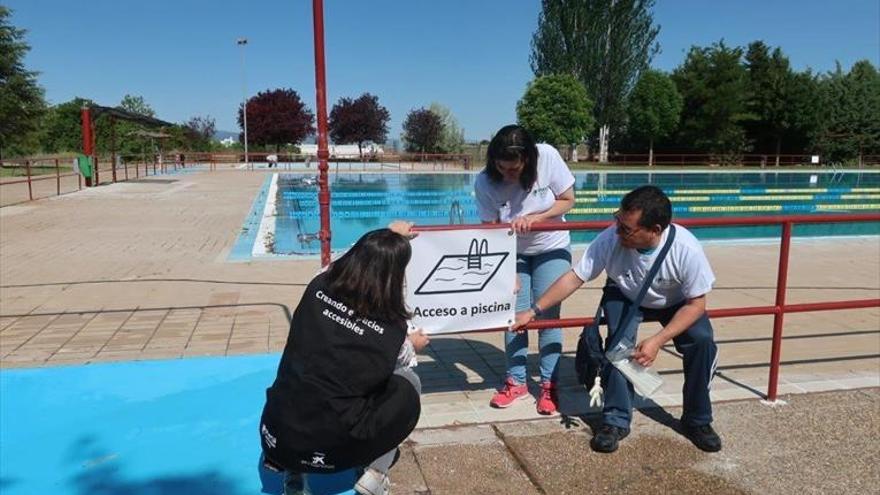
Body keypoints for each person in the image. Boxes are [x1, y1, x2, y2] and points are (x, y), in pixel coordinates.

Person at [513, 185, 722, 453]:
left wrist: (657, 341)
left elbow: (696, 304)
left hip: (676, 302)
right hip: (625, 294)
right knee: (618, 346)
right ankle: (615, 420)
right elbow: (574, 277)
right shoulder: (610, 239)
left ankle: (698, 420)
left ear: (655, 230)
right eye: (617, 220)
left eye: (627, 228)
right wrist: (533, 310)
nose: (618, 231)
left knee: (703, 341)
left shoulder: (686, 249)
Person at [259, 222, 429, 495]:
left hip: (277, 434)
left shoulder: (318, 285)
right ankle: (375, 475)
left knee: (305, 385)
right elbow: (403, 365)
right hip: (335, 453)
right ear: (395, 276)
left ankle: (292, 472)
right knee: (408, 383)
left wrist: (385, 233)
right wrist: (414, 344)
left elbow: (338, 262)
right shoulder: (393, 329)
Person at [475, 124, 576, 415]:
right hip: (512, 251)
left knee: (547, 316)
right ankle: (516, 382)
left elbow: (568, 199)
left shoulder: (547, 156)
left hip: (552, 246)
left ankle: (549, 385)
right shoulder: (484, 182)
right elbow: (491, 229)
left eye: (514, 169)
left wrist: (538, 217)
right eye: (502, 167)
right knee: (513, 317)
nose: (508, 174)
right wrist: (508, 270)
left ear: (528, 160)